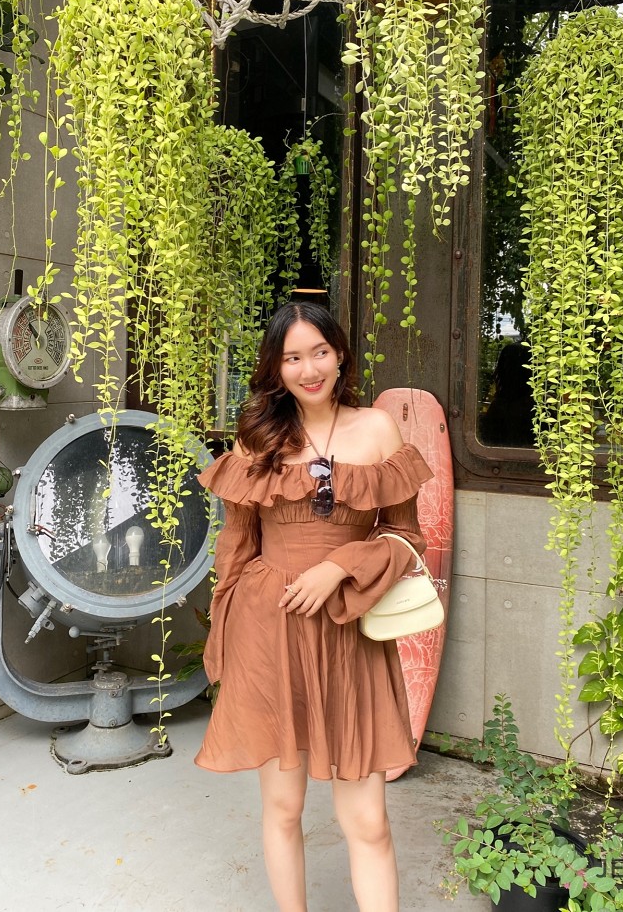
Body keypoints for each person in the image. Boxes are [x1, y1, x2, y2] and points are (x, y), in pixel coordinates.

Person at [195, 302, 433, 912]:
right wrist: (224, 636)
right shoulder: (258, 437)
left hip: (348, 633)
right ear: (275, 367)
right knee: (283, 807)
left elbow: (407, 536)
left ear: (340, 354)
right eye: (293, 357)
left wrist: (339, 566)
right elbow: (237, 546)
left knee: (369, 821)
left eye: (319, 352)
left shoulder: (377, 429)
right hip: (268, 630)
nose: (309, 369)